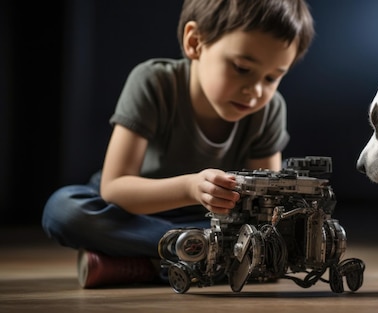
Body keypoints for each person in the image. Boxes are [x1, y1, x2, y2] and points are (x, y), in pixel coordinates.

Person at [41, 0, 315, 288]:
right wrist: (190, 188)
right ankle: (197, 256)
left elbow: (267, 203)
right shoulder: (154, 82)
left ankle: (158, 261)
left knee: (272, 241)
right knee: (63, 210)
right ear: (195, 42)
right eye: (242, 68)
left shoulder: (269, 110)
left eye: (272, 78)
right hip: (133, 211)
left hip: (211, 223)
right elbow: (114, 187)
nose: (257, 91)